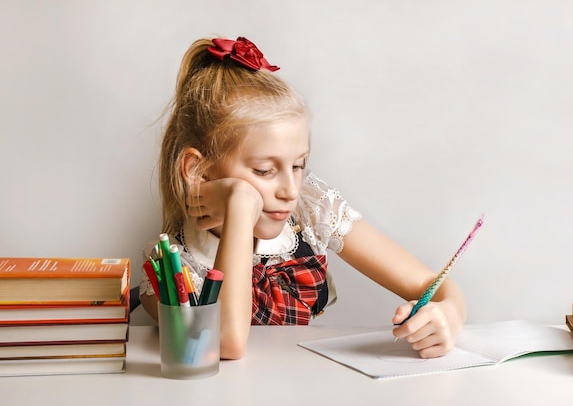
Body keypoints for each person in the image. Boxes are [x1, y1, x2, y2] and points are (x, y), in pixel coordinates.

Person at [139, 36, 467, 360]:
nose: (290, 190)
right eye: (265, 171)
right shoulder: (169, 272)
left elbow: (430, 282)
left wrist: (449, 313)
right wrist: (240, 205)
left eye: (298, 165)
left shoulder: (310, 208)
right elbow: (227, 343)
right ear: (199, 171)